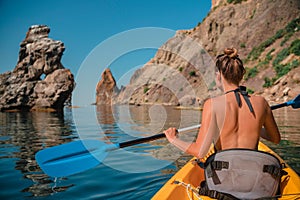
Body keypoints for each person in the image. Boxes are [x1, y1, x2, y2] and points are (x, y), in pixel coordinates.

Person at [164, 47, 282, 199]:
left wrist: (173, 139)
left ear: (218, 76)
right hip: (255, 181)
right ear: (241, 75)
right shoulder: (262, 103)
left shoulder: (212, 104)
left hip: (225, 184)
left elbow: (199, 152)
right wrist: (255, 125)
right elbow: (275, 138)